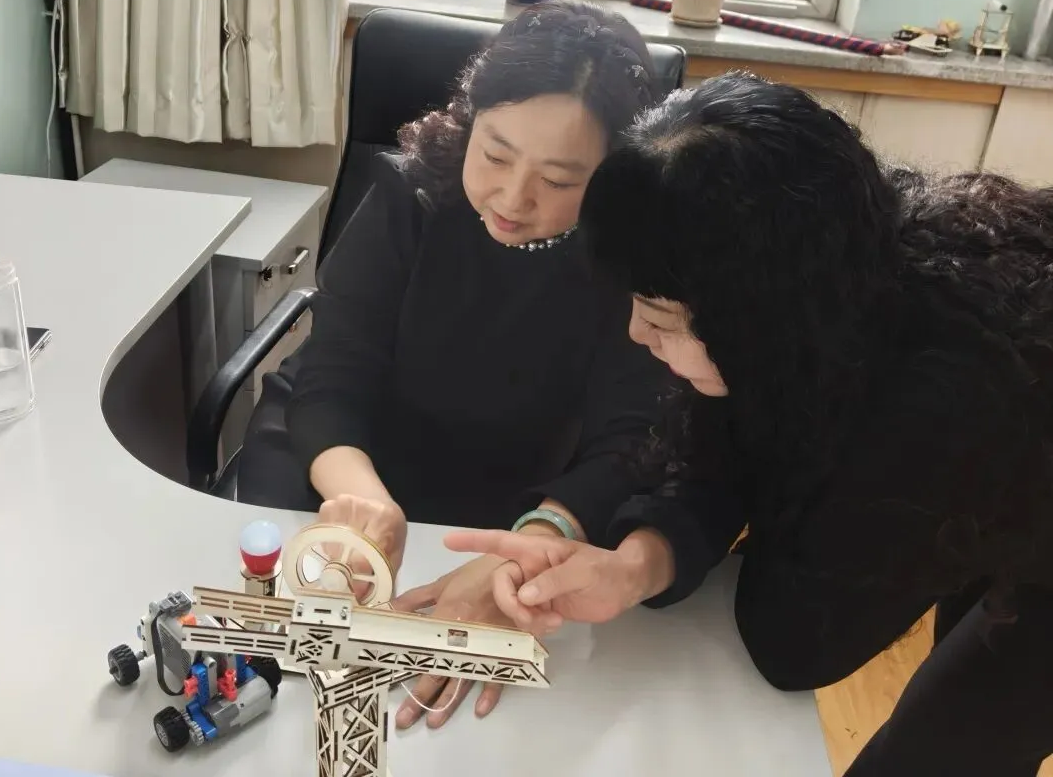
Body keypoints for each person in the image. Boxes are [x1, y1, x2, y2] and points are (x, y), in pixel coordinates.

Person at [448, 71, 1053, 776]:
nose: (637, 334)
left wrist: (744, 464)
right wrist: (637, 565)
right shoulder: (838, 268)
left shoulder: (934, 403)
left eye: (661, 315)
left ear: (761, 322)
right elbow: (711, 456)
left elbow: (792, 642)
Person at [236, 0, 676, 728]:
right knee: (284, 687)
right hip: (349, 465)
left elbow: (627, 440)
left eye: (559, 180)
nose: (512, 197)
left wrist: (530, 551)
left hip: (513, 504)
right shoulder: (409, 195)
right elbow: (333, 375)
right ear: (471, 122)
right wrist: (365, 501)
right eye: (495, 154)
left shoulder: (629, 259)